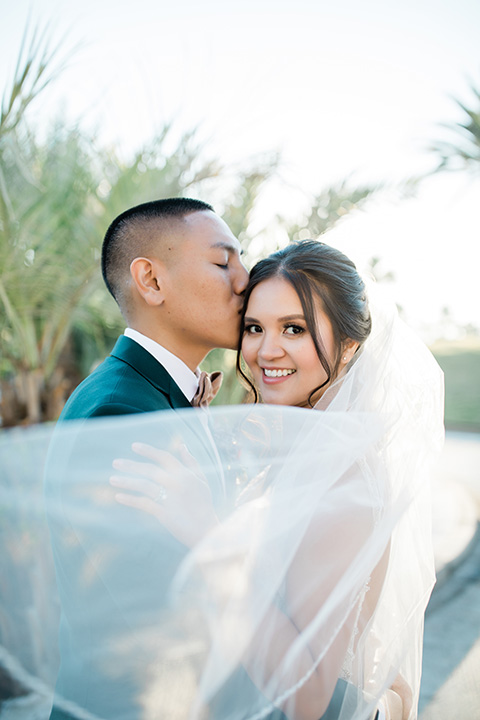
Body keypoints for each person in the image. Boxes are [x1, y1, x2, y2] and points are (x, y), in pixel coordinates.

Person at [110, 241, 444, 720]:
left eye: (295, 328)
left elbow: (306, 698)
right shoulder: (297, 450)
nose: (267, 351)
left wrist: (206, 534)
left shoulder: (345, 484)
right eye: (254, 328)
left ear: (349, 346)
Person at [45, 198, 249, 719]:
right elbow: (166, 613)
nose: (244, 281)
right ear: (151, 281)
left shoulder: (157, 395)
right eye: (224, 262)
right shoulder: (120, 412)